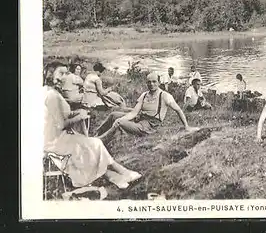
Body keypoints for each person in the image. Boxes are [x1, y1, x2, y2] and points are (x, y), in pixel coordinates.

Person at [43, 61, 141, 189]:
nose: (64, 77)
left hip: (52, 138)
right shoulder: (52, 95)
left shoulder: (46, 91)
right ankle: (123, 172)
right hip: (55, 142)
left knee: (89, 145)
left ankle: (115, 177)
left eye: (66, 73)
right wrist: (79, 116)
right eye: (61, 73)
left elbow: (54, 116)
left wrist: (74, 112)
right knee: (95, 144)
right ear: (50, 74)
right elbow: (61, 124)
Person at [95, 72, 199, 143]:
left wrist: (186, 126)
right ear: (146, 83)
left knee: (119, 122)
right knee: (114, 115)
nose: (151, 84)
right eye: (149, 82)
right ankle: (96, 134)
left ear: (158, 83)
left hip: (150, 126)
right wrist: (123, 117)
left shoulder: (165, 96)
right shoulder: (144, 95)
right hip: (139, 119)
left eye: (154, 81)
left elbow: (178, 110)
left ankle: (101, 140)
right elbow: (134, 113)